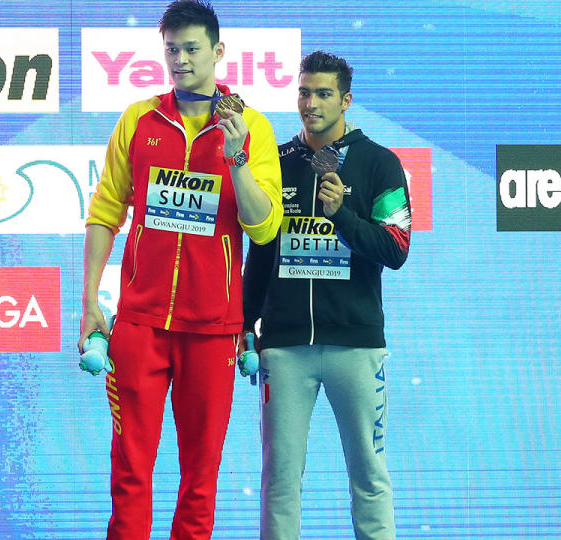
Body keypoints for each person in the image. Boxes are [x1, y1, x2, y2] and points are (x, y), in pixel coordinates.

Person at [77, 1, 283, 537]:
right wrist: (88, 304)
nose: (181, 60)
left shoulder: (251, 128)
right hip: (139, 326)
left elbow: (263, 228)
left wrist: (236, 159)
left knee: (200, 479)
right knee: (129, 474)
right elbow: (104, 213)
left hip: (213, 331)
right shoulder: (139, 120)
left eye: (193, 49)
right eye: (172, 49)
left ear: (218, 51)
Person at [242, 50, 411, 540]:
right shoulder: (272, 162)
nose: (310, 103)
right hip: (284, 347)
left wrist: (342, 218)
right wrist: (244, 324)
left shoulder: (381, 163)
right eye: (303, 92)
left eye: (322, 94)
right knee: (279, 481)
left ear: (346, 100)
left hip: (357, 348)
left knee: (369, 478)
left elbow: (396, 249)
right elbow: (261, 251)